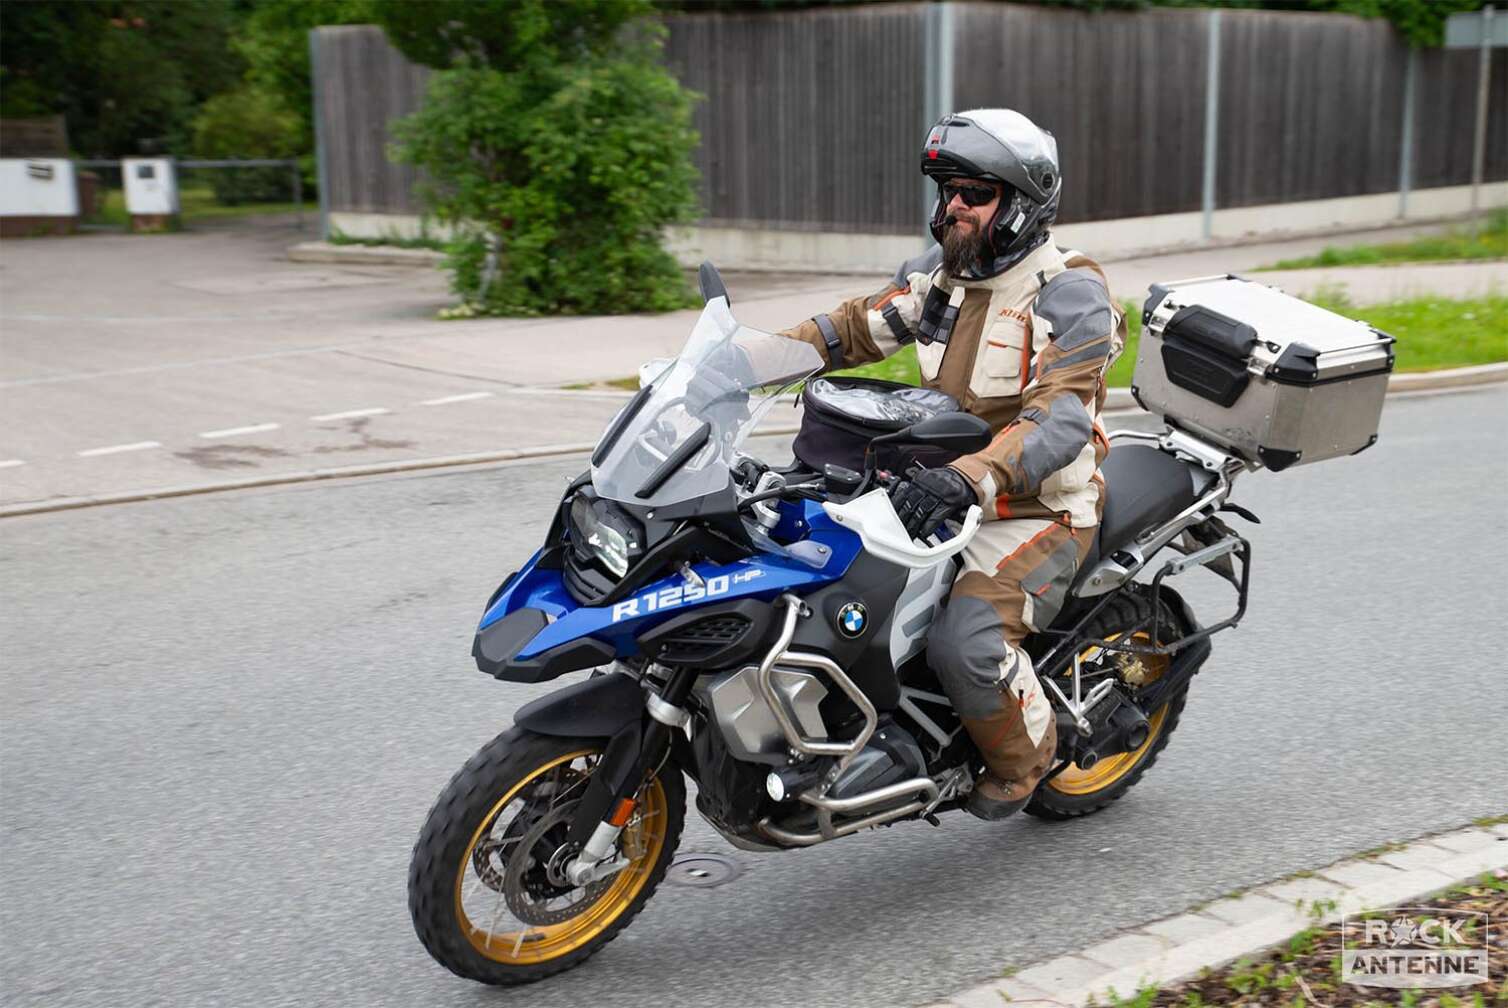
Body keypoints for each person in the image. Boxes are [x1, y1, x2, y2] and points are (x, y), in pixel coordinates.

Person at [778, 108, 1125, 820]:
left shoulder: (1068, 293)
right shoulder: (939, 279)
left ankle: (1026, 761)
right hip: (936, 489)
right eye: (948, 190)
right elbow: (850, 329)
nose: (955, 206)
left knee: (964, 641)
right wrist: (743, 360)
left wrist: (972, 475)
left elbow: (1058, 417)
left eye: (976, 192)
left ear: (1022, 206)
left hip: (1034, 507)